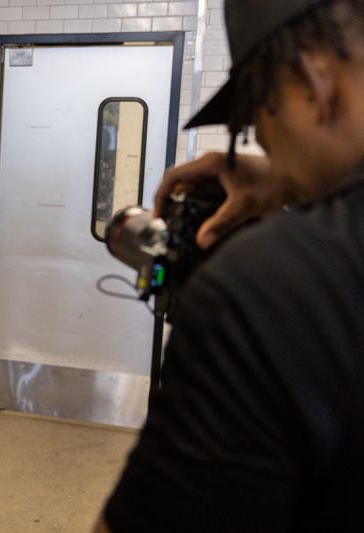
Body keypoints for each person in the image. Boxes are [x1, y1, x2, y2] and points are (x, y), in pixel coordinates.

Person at [95, 0, 364, 531]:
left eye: (256, 126)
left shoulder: (271, 285)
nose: (263, 146)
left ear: (313, 82)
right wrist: (284, 180)